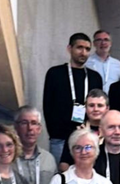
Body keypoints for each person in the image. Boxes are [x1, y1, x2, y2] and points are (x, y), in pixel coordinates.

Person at [43, 33, 103, 163]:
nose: (83, 52)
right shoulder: (55, 73)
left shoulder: (95, 77)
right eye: (79, 47)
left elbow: (99, 108)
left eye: (87, 49)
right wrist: (54, 133)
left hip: (87, 138)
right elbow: (47, 105)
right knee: (62, 173)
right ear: (69, 48)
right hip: (60, 138)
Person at [14, 105, 59, 184]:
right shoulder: (8, 160)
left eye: (34, 123)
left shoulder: (49, 159)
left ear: (39, 129)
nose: (30, 128)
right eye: (24, 123)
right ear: (16, 127)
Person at [58, 89, 109, 170]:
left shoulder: (112, 132)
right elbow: (64, 163)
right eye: (91, 105)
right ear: (85, 108)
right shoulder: (76, 132)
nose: (95, 109)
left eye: (100, 105)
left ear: (107, 108)